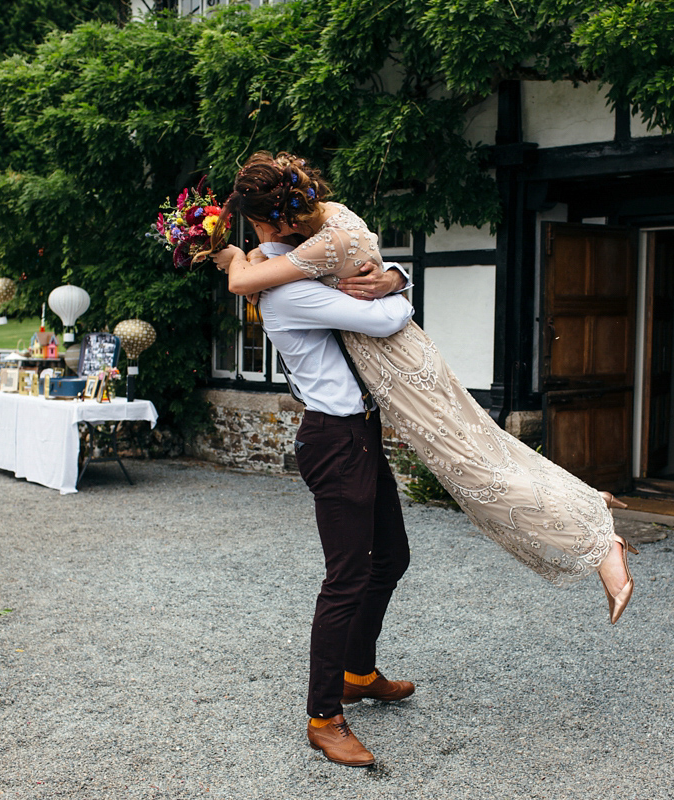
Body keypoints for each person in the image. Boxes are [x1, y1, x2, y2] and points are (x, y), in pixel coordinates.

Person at [213, 151, 637, 622]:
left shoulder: (316, 245)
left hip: (397, 364)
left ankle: (600, 546)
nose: (259, 237)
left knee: (468, 468)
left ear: (276, 219)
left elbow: (246, 281)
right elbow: (324, 268)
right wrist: (397, 277)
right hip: (406, 357)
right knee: (484, 449)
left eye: (257, 226)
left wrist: (229, 253)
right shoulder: (330, 221)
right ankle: (578, 500)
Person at [241, 228, 417, 768]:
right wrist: (394, 287)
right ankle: (323, 718)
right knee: (346, 578)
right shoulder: (290, 290)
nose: (314, 232)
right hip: (333, 438)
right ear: (268, 228)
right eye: (295, 220)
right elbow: (390, 316)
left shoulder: (299, 270)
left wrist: (394, 275)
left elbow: (377, 282)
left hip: (360, 430)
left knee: (391, 557)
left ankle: (357, 674)